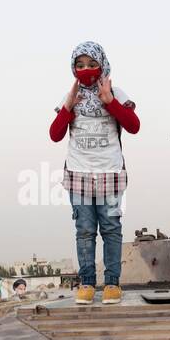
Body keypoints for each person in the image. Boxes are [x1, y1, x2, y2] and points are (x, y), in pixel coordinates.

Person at [49, 40, 140, 305]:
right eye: (80, 65)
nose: (86, 69)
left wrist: (110, 101)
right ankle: (87, 283)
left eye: (92, 64)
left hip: (110, 174)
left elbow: (133, 126)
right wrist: (68, 105)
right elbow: (55, 135)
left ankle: (112, 284)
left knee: (111, 229)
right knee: (85, 230)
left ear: (102, 65)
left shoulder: (115, 92)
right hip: (78, 175)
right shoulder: (72, 97)